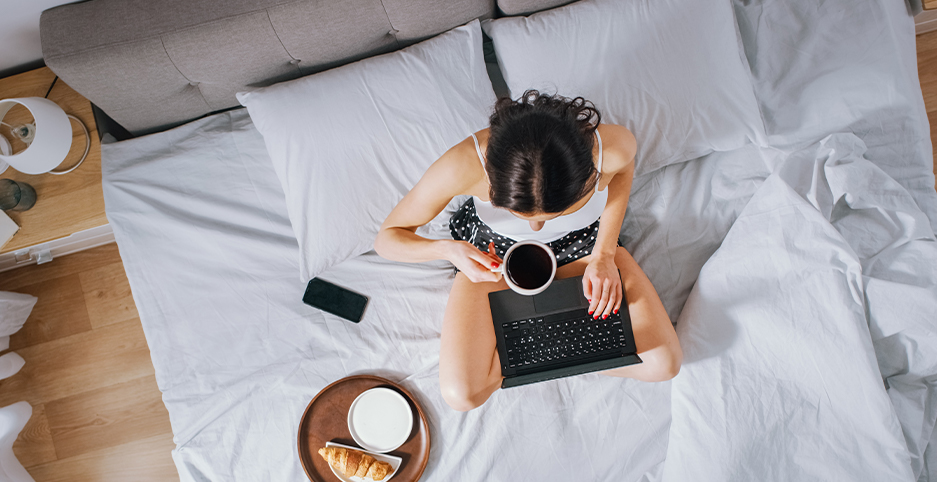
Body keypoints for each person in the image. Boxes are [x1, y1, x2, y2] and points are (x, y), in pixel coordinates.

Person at [375, 91, 682, 411]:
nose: (537, 228)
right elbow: (387, 238)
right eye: (524, 216)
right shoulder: (463, 164)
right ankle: (564, 353)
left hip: (586, 247)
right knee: (462, 394)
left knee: (664, 363)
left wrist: (604, 255)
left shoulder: (611, 149)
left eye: (554, 215)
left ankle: (536, 352)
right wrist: (449, 250)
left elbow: (623, 172)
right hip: (496, 254)